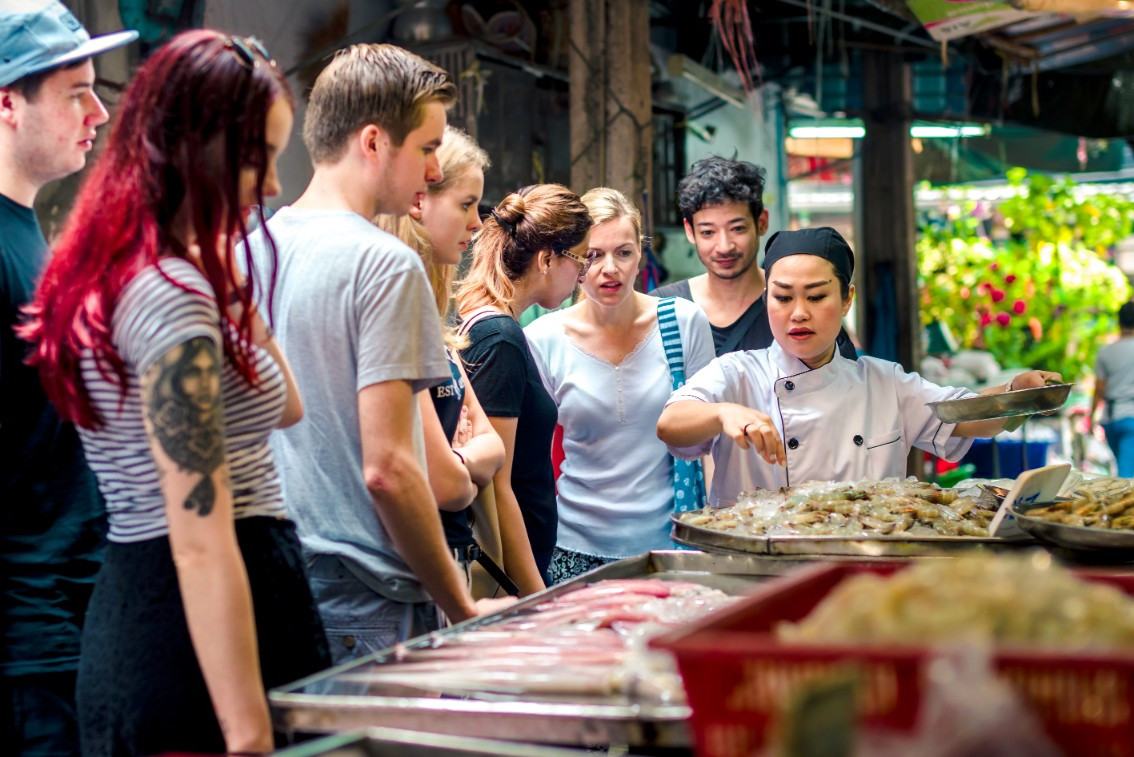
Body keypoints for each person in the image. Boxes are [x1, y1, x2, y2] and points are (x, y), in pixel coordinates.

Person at [19, 30, 330, 754]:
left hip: (183, 613)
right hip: (194, 638)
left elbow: (284, 403)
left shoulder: (163, 273)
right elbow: (196, 535)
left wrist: (220, 266)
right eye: (258, 160)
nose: (275, 187)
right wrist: (247, 729)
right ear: (200, 151)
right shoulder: (170, 294)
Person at [249, 44, 500, 661]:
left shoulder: (251, 250)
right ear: (372, 142)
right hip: (367, 590)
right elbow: (389, 468)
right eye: (426, 147)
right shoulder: (385, 264)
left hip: (276, 572)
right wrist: (460, 602)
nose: (435, 171)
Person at [657, 227, 1060, 504]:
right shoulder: (737, 373)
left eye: (816, 297)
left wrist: (1017, 394)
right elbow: (671, 423)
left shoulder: (883, 383)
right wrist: (722, 412)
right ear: (767, 299)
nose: (798, 313)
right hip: (758, 569)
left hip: (859, 566)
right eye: (782, 298)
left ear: (847, 298)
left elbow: (964, 416)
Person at [0, 2, 135, 752]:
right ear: (7, 103)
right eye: (76, 91)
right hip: (28, 639)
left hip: (72, 619)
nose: (99, 110)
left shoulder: (31, 234)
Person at [525, 188, 714, 583]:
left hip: (669, 546)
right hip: (573, 545)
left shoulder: (682, 323)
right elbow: (530, 460)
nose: (609, 268)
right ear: (573, 258)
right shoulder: (543, 339)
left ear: (640, 255)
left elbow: (709, 440)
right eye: (593, 255)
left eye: (623, 252)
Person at [374, 126, 505, 593]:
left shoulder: (435, 322)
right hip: (403, 571)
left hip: (445, 558)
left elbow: (493, 446)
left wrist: (457, 462)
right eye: (466, 204)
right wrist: (463, 469)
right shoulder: (393, 304)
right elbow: (446, 485)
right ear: (419, 201)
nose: (477, 223)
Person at [455, 184, 592, 587]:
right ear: (548, 258)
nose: (582, 276)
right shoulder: (500, 337)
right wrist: (535, 592)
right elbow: (498, 485)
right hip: (511, 576)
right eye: (580, 261)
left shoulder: (497, 325)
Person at [652, 156, 856, 359]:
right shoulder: (662, 309)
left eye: (737, 228)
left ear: (762, 222)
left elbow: (839, 383)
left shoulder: (798, 308)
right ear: (690, 230)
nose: (724, 246)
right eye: (708, 232)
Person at [1092, 300, 1134, 477]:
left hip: (1111, 418)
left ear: (1119, 322)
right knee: (1127, 476)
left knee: (1124, 467)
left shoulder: (1106, 352)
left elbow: (1099, 389)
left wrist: (1091, 415)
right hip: (1132, 417)